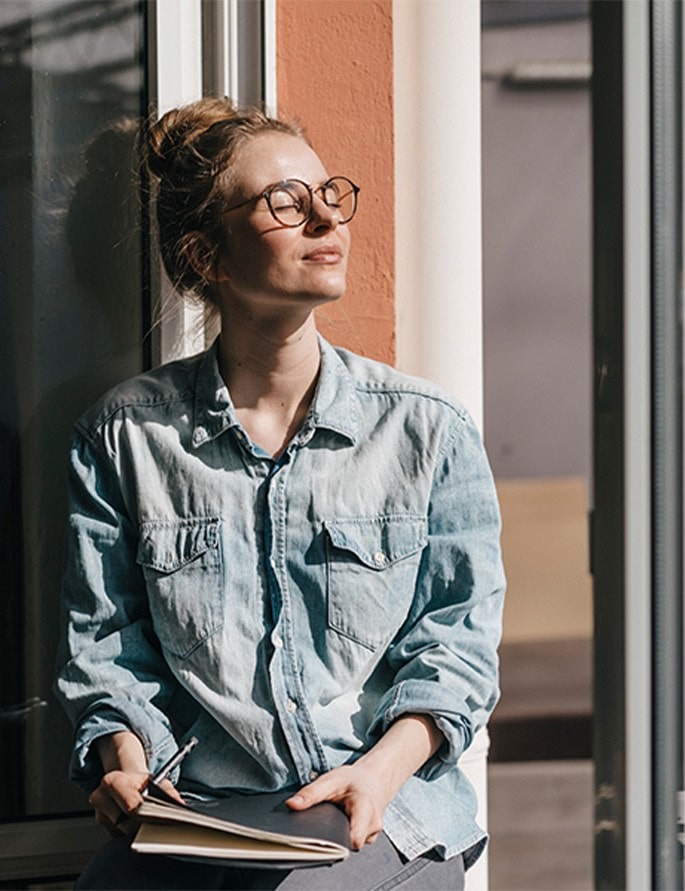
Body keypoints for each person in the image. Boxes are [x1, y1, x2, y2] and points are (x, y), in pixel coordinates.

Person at [55, 97, 505, 890]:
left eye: (328, 194)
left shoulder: (425, 431)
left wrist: (376, 773)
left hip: (382, 807)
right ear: (207, 257)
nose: (325, 219)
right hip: (201, 810)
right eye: (285, 204)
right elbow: (106, 650)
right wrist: (126, 765)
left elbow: (455, 645)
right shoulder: (122, 439)